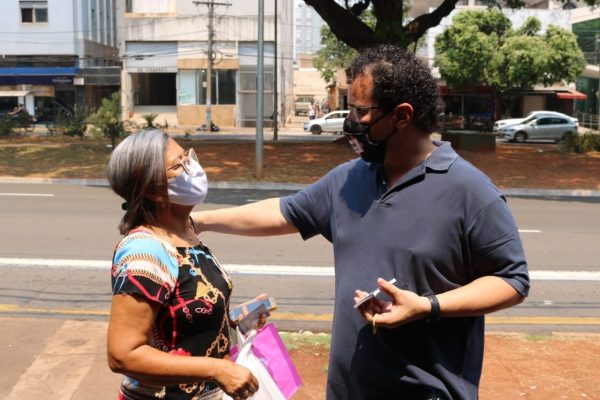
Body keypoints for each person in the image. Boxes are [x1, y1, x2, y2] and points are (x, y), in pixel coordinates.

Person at [190, 44, 530, 399]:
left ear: (402, 116)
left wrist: (428, 306)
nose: (350, 120)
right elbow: (284, 212)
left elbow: (512, 280)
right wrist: (197, 222)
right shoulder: (350, 178)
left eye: (360, 111)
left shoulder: (470, 191)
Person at [106, 128, 259, 400]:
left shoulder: (185, 234)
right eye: (178, 166)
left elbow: (183, 313)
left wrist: (231, 319)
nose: (192, 168)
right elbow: (123, 355)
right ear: (153, 191)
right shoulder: (145, 250)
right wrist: (215, 369)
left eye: (188, 157)